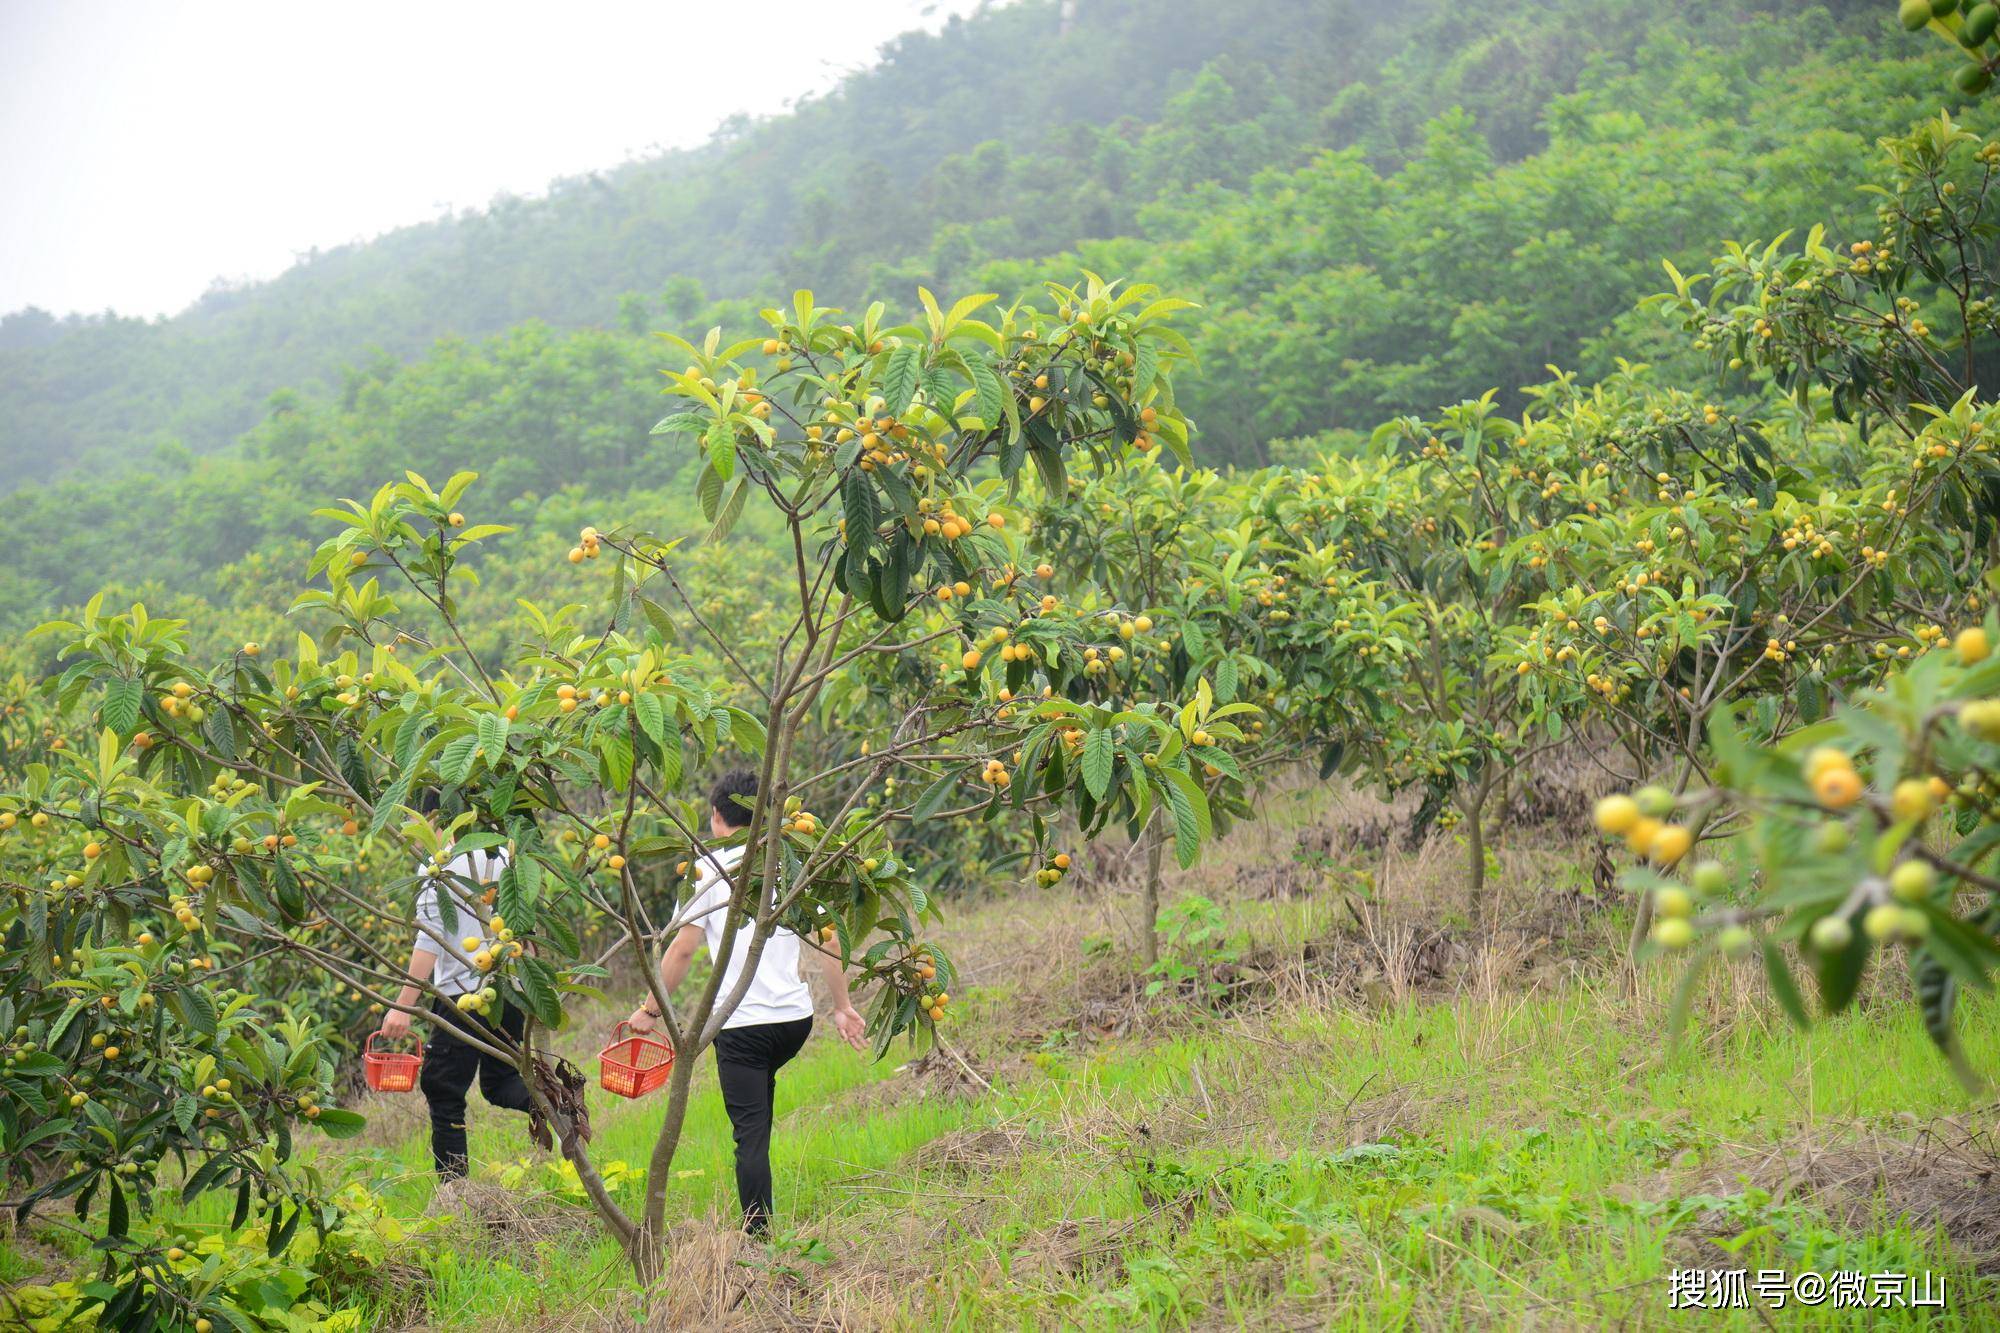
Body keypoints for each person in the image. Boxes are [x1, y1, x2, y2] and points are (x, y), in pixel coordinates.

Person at [627, 769, 867, 1234]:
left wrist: (650, 1010)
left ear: (717, 817)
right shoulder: (789, 863)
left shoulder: (709, 869)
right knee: (760, 1110)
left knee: (750, 1138)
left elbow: (683, 949)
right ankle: (762, 1229)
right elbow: (829, 941)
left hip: (743, 1029)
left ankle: (757, 1241)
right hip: (795, 1023)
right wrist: (842, 1006)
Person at [379, 834, 534, 1180]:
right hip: (509, 989)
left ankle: (454, 1191)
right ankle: (556, 1105)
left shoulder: (439, 865)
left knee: (443, 1089)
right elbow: (525, 925)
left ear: (434, 821)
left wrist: (403, 1006)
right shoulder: (505, 854)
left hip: (463, 996)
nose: (408, 833)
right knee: (502, 1081)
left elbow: (428, 939)